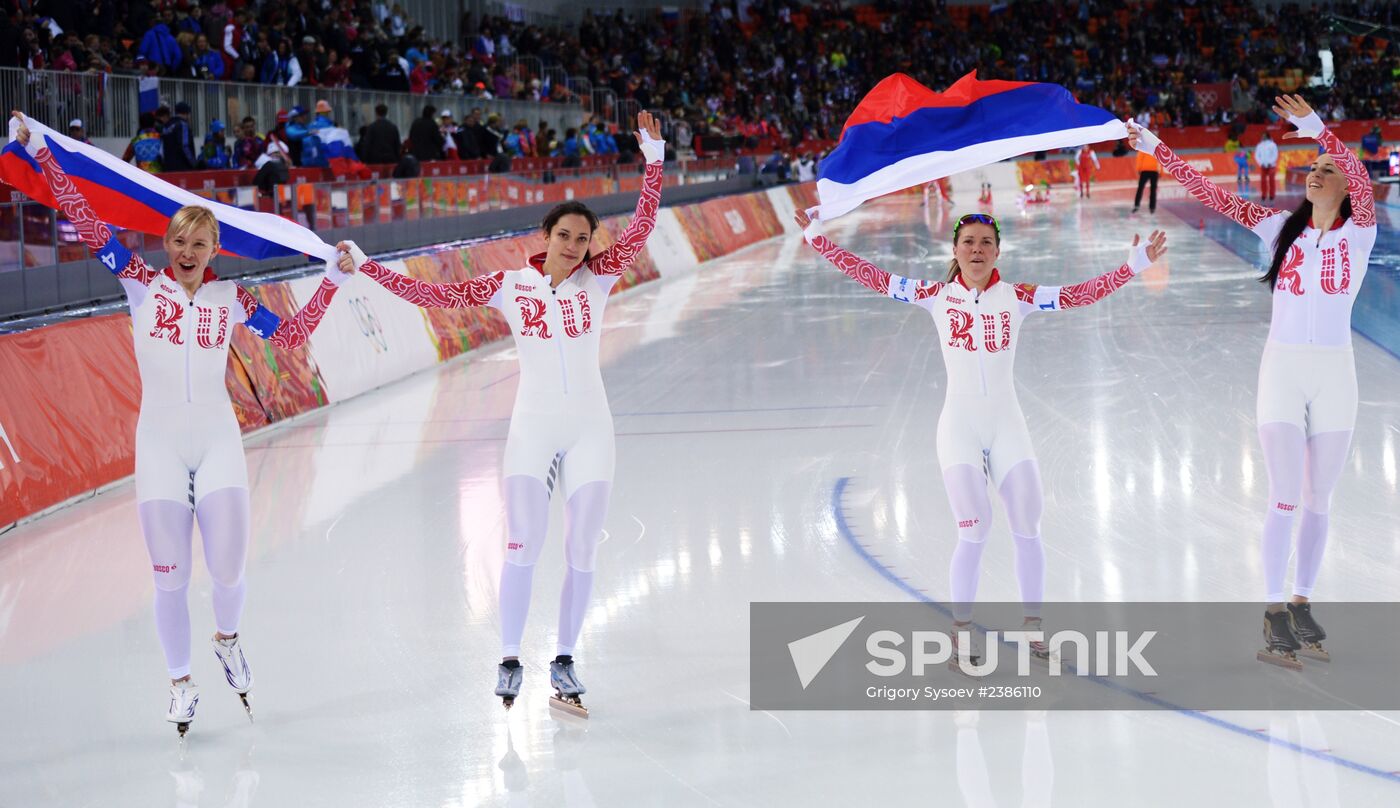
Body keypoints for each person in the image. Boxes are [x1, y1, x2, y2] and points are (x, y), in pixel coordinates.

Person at [12, 112, 354, 737]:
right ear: (167, 246)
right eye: (180, 242)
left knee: (227, 570)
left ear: (214, 249)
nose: (189, 253)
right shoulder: (140, 284)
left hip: (219, 442)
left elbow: (297, 335)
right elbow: (87, 220)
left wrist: (331, 278)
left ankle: (227, 641)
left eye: (200, 244)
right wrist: (43, 153)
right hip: (160, 446)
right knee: (168, 576)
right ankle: (180, 683)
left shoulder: (233, 300)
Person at [342, 112, 667, 717]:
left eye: (583, 239)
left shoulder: (599, 280)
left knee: (582, 549)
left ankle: (566, 656)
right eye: (564, 235)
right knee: (523, 543)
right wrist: (367, 266)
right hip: (534, 430)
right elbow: (432, 296)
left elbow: (644, 224)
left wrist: (654, 158)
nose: (574, 247)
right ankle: (511, 656)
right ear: (546, 234)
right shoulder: (508, 285)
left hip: (592, 429)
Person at [797, 207, 1165, 673]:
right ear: (954, 250)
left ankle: (1034, 629)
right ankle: (961, 634)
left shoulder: (1019, 297)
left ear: (998, 251)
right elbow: (870, 275)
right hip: (959, 429)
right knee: (975, 528)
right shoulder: (935, 296)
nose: (976, 250)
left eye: (985, 243)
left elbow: (1077, 295)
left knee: (1028, 525)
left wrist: (1133, 266)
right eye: (968, 242)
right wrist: (817, 239)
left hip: (1008, 426)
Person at [1126, 94, 1378, 670]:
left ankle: (1301, 602)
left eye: (1325, 168)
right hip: (1283, 372)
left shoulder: (1357, 234)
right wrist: (1160, 151)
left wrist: (1318, 130)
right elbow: (1211, 193)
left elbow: (1361, 178)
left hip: (1337, 373)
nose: (1315, 172)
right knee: (1286, 496)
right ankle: (1272, 612)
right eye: (1312, 167)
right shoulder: (1276, 229)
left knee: (1320, 500)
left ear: (1342, 188)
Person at [162, 102, 197, 172]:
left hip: (168, 167)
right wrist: (194, 163)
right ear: (186, 113)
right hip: (182, 167)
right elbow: (184, 146)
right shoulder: (182, 125)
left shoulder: (167, 126)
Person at [1131, 144, 1159, 214]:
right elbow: (1160, 161)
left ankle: (1137, 205)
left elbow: (1139, 159)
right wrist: (1160, 172)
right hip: (1152, 171)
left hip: (1147, 171)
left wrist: (1138, 169)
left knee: (1141, 189)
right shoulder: (1155, 149)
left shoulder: (1144, 148)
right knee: (1152, 190)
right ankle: (1151, 207)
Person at [1256, 130, 1279, 203]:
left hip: (1271, 166)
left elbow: (1275, 154)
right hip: (1263, 166)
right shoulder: (1259, 145)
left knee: (1271, 181)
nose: (1263, 137)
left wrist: (1270, 162)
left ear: (1268, 136)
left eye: (1265, 136)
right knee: (1263, 181)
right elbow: (1257, 155)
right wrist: (1260, 163)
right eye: (1262, 136)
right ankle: (1263, 196)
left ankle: (1272, 197)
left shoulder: (1272, 144)